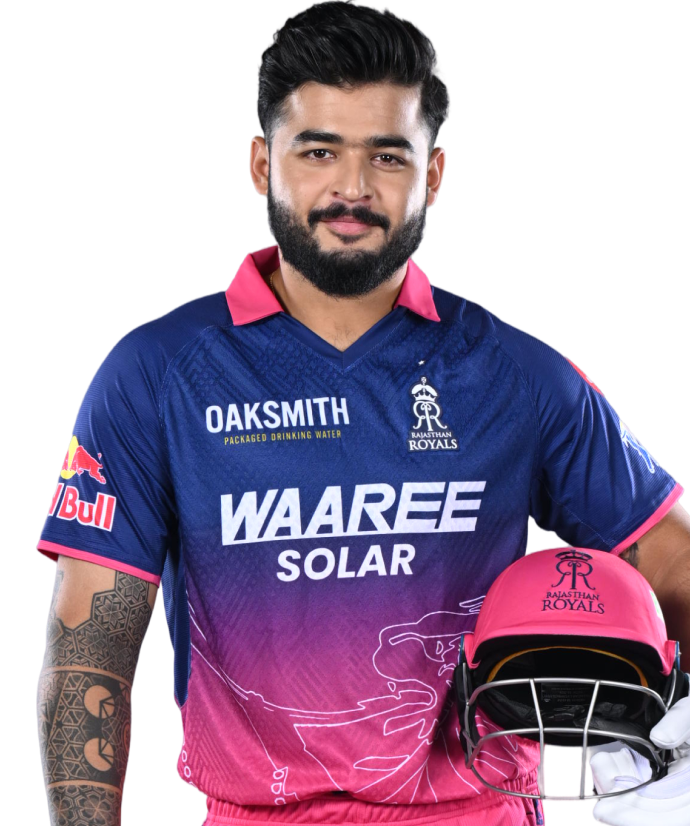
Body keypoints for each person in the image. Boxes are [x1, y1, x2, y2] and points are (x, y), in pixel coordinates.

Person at [35, 2, 689, 825]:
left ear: (434, 175)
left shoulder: (518, 373)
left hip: (477, 813)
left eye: (387, 155)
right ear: (261, 164)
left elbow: (670, 559)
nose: (352, 187)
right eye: (319, 152)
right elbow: (91, 647)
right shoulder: (154, 373)